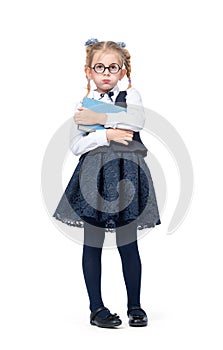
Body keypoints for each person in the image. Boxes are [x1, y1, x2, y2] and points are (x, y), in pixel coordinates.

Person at [53, 38, 161, 328]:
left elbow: (136, 122)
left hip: (127, 177)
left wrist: (97, 119)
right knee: (93, 243)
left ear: (122, 72)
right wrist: (108, 134)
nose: (106, 73)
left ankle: (135, 305)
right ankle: (96, 308)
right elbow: (77, 146)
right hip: (93, 178)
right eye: (99, 67)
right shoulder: (82, 105)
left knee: (128, 243)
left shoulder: (131, 96)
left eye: (113, 67)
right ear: (88, 71)